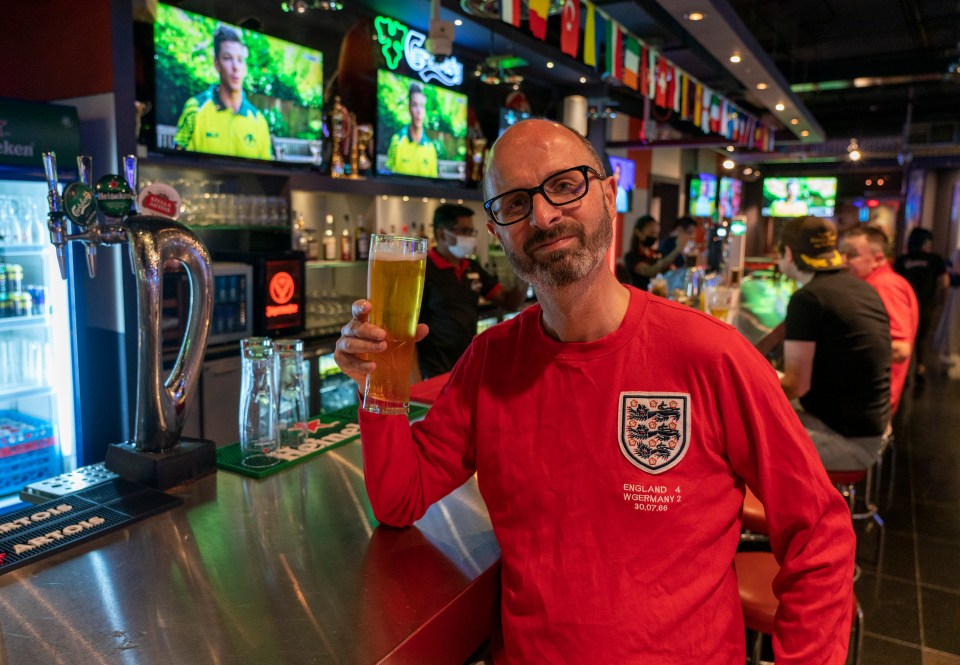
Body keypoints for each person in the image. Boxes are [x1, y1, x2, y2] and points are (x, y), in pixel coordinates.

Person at [335, 119, 856, 663]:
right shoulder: (490, 362)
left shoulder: (712, 355)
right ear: (496, 233)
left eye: (564, 186)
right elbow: (400, 499)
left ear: (609, 195)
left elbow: (819, 533)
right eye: (514, 203)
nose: (542, 215)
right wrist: (383, 380)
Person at [778, 216, 892, 470]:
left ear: (787, 253)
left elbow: (796, 385)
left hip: (848, 441)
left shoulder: (807, 299)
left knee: (736, 434)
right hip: (872, 426)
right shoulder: (862, 287)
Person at [415, 204, 527, 379]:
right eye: (464, 231)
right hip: (433, 371)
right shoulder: (422, 270)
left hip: (466, 365)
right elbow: (408, 332)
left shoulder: (471, 267)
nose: (470, 237)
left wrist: (525, 271)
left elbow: (508, 302)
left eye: (471, 232)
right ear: (442, 233)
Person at [841, 225, 919, 416]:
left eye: (851, 255)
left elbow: (901, 349)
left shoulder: (884, 285)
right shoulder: (876, 282)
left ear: (878, 258)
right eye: (842, 253)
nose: (843, 260)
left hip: (875, 401)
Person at [173, 25, 272, 160]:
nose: (235, 67)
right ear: (217, 64)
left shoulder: (259, 120)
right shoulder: (195, 109)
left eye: (240, 59)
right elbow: (176, 161)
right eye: (227, 58)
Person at [894, 227, 948, 378]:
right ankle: (920, 366)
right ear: (926, 242)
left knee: (905, 336)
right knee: (923, 337)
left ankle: (903, 370)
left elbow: (895, 281)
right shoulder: (935, 259)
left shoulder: (903, 260)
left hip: (904, 305)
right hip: (927, 304)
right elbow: (944, 283)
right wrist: (942, 302)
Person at [622, 214, 694, 291]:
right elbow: (651, 271)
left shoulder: (657, 253)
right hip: (639, 296)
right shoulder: (631, 257)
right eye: (651, 233)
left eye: (656, 233)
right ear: (638, 232)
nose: (654, 236)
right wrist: (677, 250)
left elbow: (672, 271)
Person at [385, 83, 439, 178]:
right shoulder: (397, 141)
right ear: (409, 108)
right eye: (415, 105)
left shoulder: (431, 148)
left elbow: (433, 184)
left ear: (425, 110)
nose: (418, 111)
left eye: (422, 106)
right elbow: (387, 177)